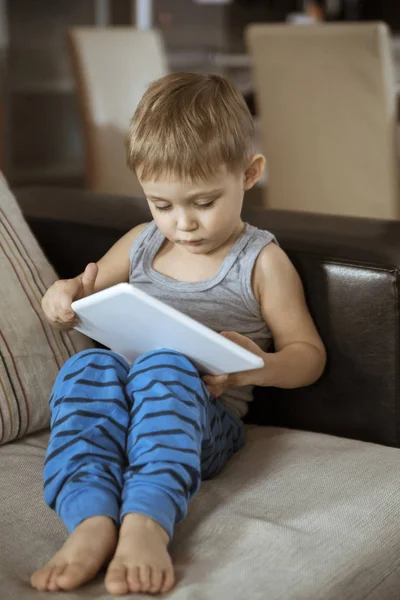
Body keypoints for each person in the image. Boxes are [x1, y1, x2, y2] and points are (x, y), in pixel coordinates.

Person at [31, 72, 326, 596]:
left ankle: (146, 520)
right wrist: (65, 295)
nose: (183, 224)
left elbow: (309, 357)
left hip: (202, 421)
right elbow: (86, 288)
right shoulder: (143, 243)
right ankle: (91, 518)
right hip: (124, 410)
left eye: (204, 202)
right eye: (162, 205)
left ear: (250, 173)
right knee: (86, 367)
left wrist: (256, 363)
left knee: (165, 365)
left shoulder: (260, 262)